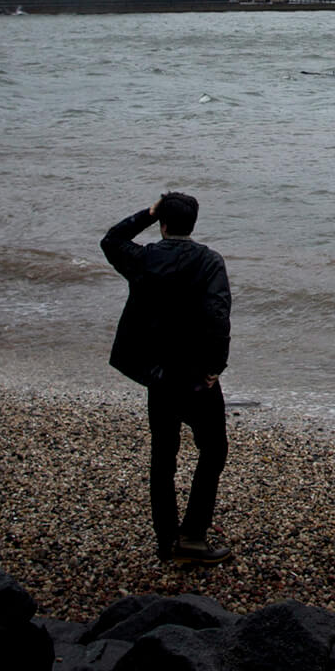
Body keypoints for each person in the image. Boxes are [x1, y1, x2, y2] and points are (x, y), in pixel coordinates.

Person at [102, 190, 233, 562]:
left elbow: (111, 240)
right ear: (193, 224)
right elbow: (218, 316)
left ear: (162, 224)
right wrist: (215, 367)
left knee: (163, 455)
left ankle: (166, 539)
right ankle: (191, 535)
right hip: (195, 376)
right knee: (212, 450)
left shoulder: (144, 259)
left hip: (158, 375)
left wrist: (147, 212)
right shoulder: (209, 261)